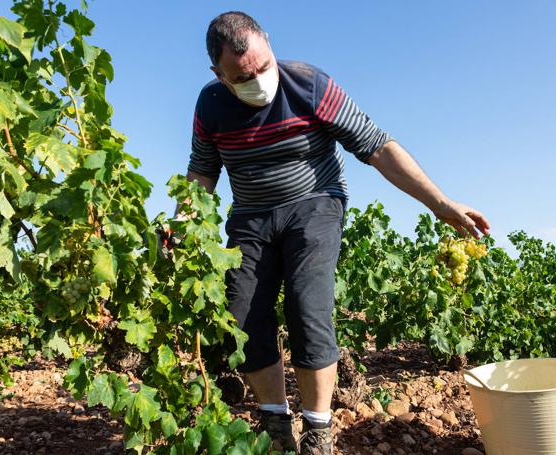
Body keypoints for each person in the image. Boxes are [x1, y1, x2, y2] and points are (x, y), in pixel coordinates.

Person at [179, 11, 491, 454]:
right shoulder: (210, 105)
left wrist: (440, 203)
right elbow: (202, 173)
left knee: (309, 311)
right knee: (243, 316)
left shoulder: (309, 84)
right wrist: (179, 224)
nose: (259, 81)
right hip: (250, 214)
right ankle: (275, 420)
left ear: (268, 45)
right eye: (243, 77)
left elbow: (377, 145)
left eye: (264, 67)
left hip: (315, 203)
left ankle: (318, 428)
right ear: (218, 74)